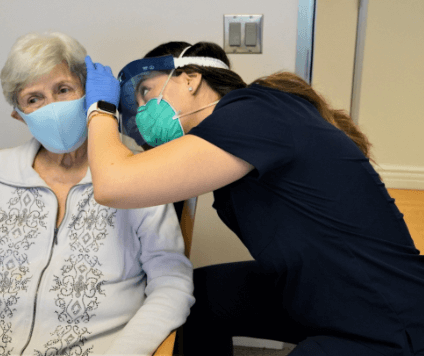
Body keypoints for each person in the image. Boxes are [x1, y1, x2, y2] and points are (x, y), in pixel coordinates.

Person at [83, 41, 424, 356]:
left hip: (382, 320)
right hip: (320, 293)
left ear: (190, 78)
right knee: (198, 296)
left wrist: (100, 108)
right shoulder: (236, 132)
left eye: (146, 91)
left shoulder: (252, 112)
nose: (143, 111)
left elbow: (113, 185)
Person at [0, 32, 194, 356]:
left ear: (88, 93)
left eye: (63, 89)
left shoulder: (139, 174)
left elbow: (171, 284)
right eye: (34, 99)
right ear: (19, 114)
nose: (52, 107)